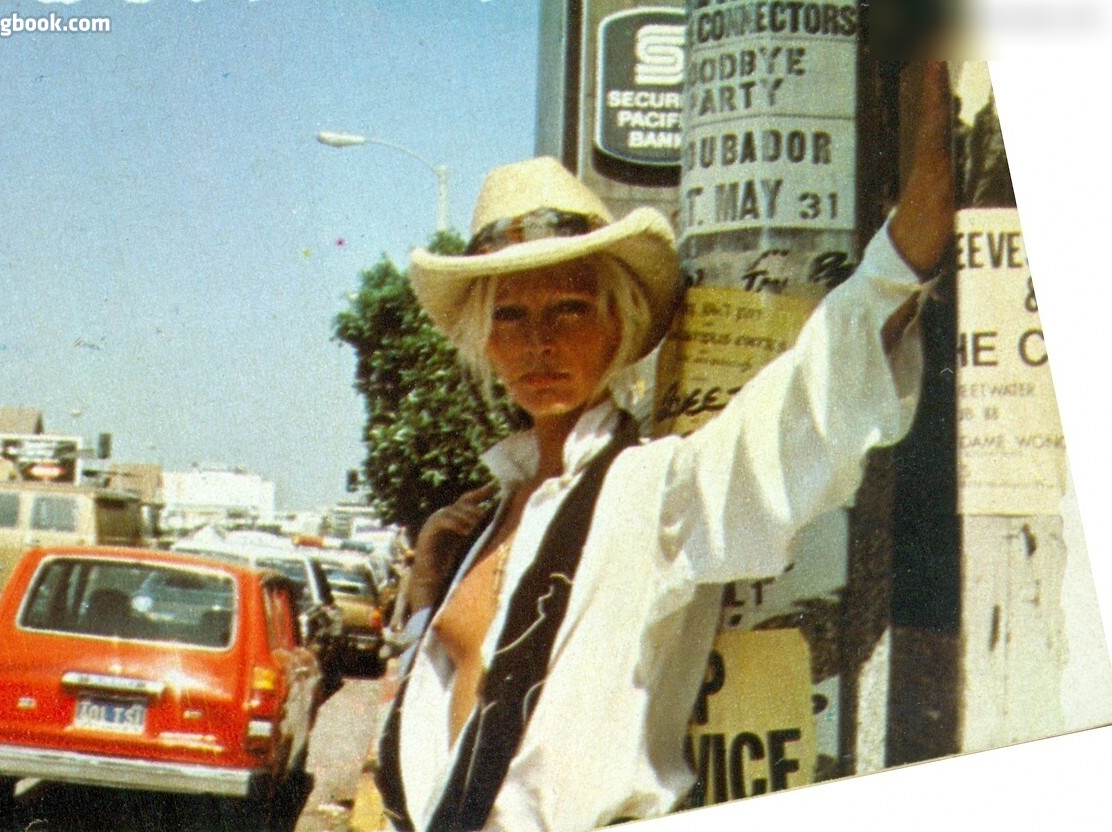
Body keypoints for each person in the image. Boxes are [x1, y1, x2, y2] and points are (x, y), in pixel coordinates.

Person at [377, 63, 955, 832]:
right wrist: (426, 587)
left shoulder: (652, 490)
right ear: (485, 337)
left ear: (618, 322)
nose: (539, 341)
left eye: (569, 308)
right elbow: (431, 728)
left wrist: (908, 238)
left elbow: (806, 407)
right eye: (511, 315)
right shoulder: (487, 519)